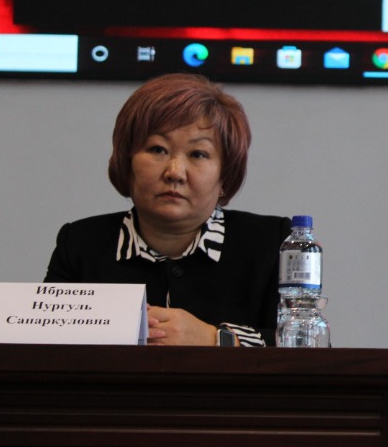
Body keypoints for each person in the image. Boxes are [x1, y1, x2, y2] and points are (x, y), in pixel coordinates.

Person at [45, 73, 291, 346]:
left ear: (225, 176)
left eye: (198, 154)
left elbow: (303, 345)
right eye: (157, 149)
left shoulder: (273, 243)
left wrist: (214, 338)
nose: (175, 172)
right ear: (127, 164)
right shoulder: (80, 244)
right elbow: (43, 346)